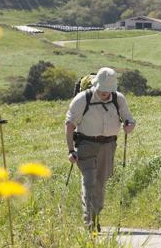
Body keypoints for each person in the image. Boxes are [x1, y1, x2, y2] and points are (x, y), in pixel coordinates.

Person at [65, 67, 136, 232]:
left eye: (108, 90)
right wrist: (70, 150)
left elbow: (129, 119)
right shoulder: (82, 99)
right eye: (102, 89)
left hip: (109, 146)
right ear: (96, 84)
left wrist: (130, 125)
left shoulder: (119, 99)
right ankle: (90, 223)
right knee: (89, 183)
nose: (105, 93)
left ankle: (95, 216)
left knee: (100, 185)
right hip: (86, 146)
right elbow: (69, 126)